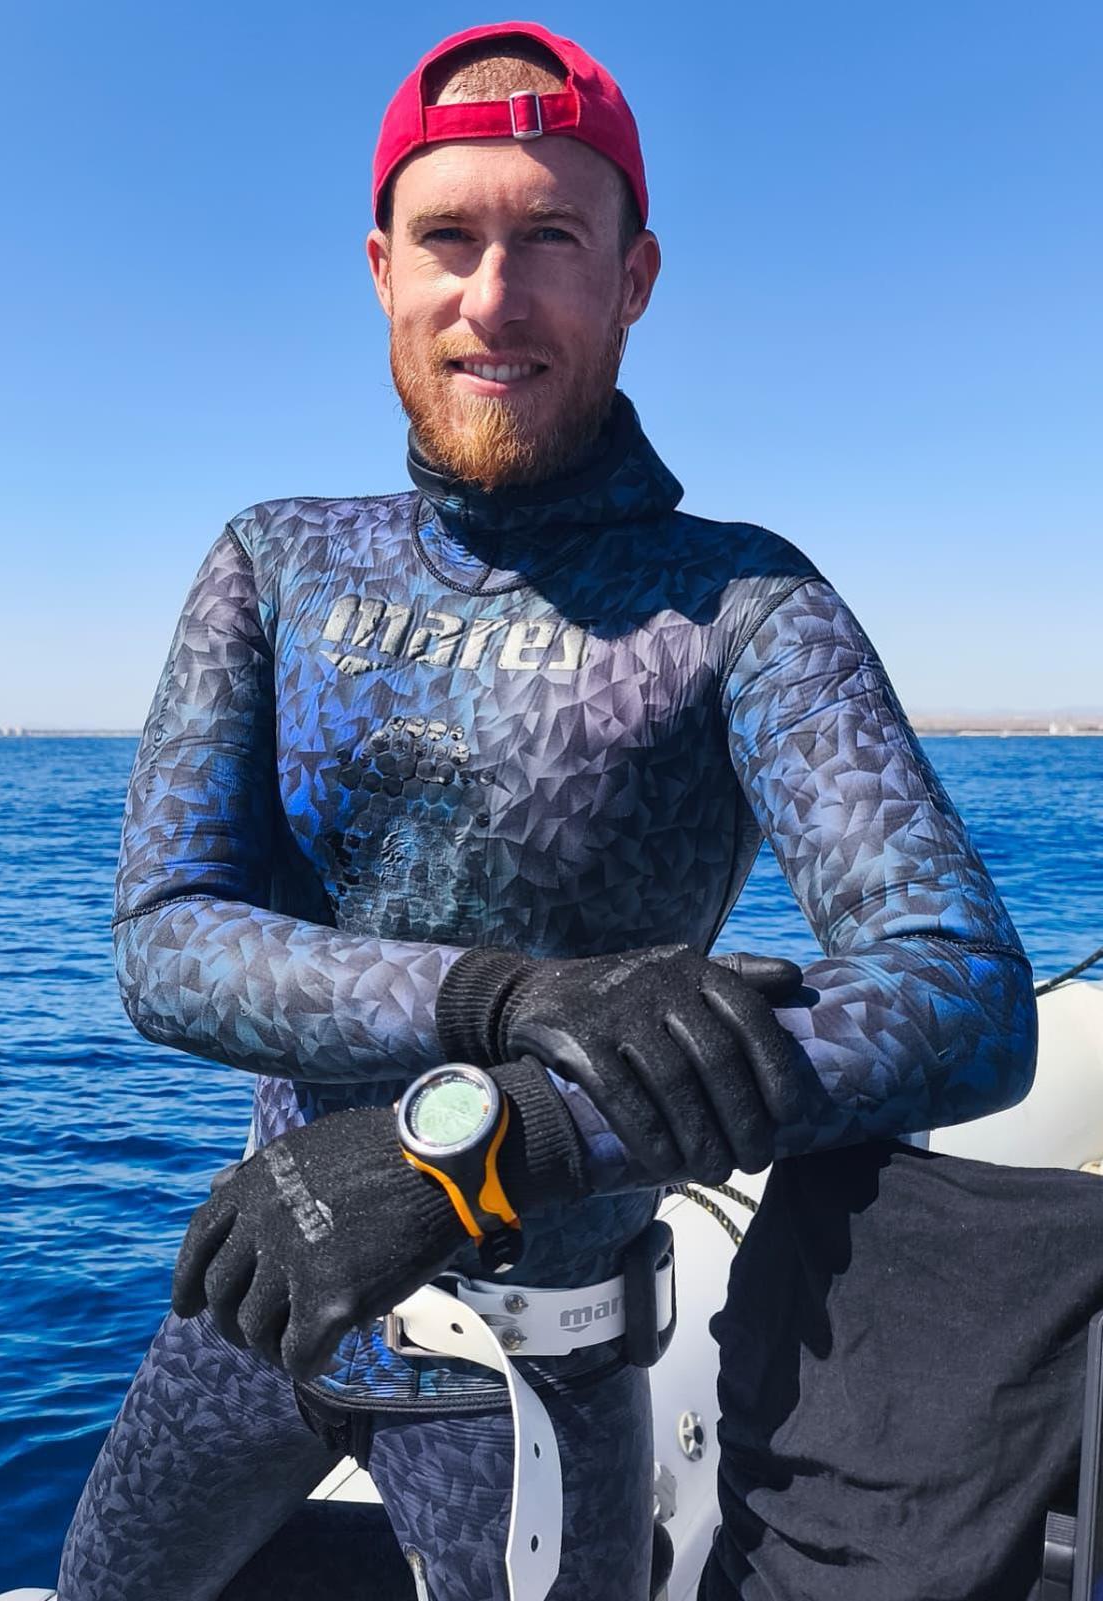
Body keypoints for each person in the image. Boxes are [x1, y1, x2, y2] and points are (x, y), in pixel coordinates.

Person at [59, 21, 1037, 1601]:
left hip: (537, 1369)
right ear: (382, 267)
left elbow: (964, 994)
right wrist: (508, 998)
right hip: (255, 1307)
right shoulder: (275, 562)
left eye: (553, 241)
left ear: (634, 278)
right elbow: (164, 940)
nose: (494, 297)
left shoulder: (742, 607)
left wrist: (494, 1140)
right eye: (449, 238)